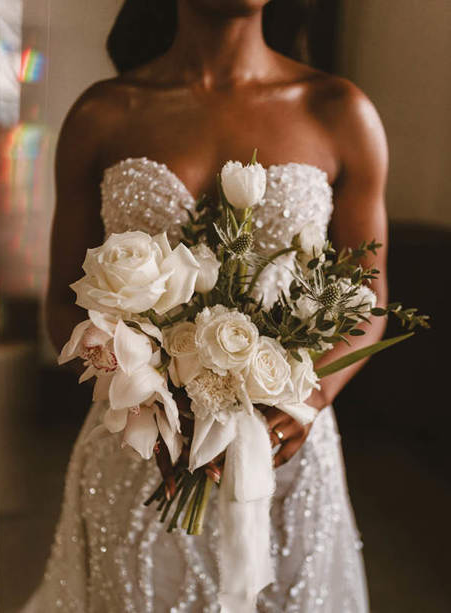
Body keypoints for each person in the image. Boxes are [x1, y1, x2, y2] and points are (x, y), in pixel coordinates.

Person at [27, 0, 387, 611]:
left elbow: (371, 301)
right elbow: (63, 303)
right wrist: (148, 403)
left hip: (286, 445)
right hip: (140, 447)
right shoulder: (103, 112)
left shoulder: (338, 110)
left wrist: (304, 403)